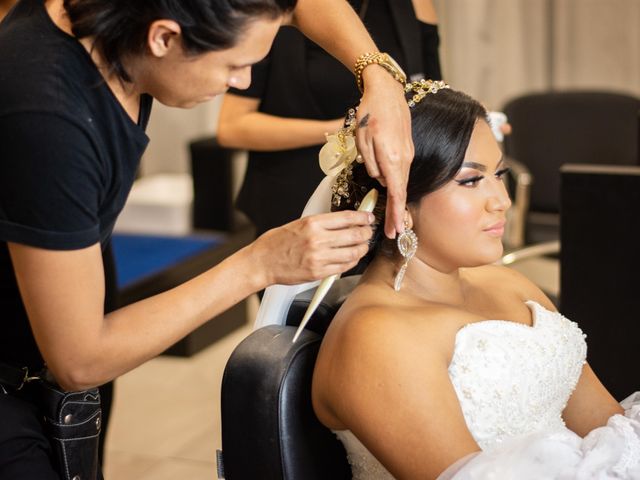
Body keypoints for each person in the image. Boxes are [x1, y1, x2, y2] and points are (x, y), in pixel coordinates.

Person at [0, 0, 416, 477]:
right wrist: (257, 264)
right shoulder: (49, 119)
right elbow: (81, 357)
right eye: (234, 64)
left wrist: (378, 76)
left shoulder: (121, 28)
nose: (241, 82)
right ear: (163, 38)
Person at [308, 81, 640, 479]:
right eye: (470, 180)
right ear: (400, 200)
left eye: (499, 174)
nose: (502, 200)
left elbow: (612, 430)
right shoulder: (376, 335)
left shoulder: (510, 285)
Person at [217, 0, 441, 241]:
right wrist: (344, 128)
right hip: (292, 201)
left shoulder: (414, 6)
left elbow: (432, 95)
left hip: (383, 204)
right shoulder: (278, 10)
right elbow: (231, 127)